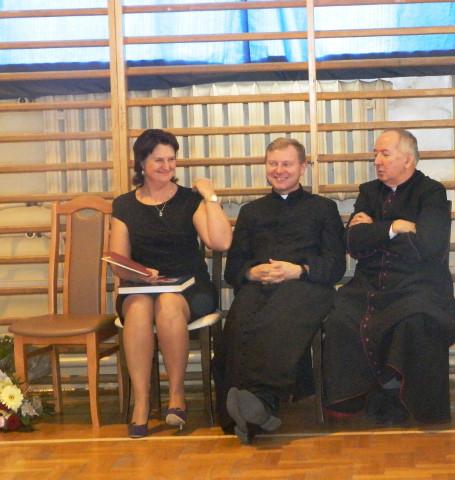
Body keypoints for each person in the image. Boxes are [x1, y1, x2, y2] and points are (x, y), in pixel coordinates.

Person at [322, 128, 455, 424]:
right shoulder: (369, 192)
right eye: (375, 154)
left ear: (408, 159)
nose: (377, 160)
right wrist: (394, 227)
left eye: (384, 154)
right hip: (368, 285)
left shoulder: (431, 193)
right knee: (339, 317)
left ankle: (403, 398)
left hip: (418, 284)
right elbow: (352, 242)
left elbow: (427, 246)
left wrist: (373, 230)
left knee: (415, 320)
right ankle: (359, 398)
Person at [219, 137, 346, 444]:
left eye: (286, 164)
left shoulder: (324, 209)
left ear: (302, 168)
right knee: (239, 322)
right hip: (259, 286)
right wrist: (252, 272)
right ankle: (244, 414)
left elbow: (336, 266)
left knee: (277, 318)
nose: (279, 170)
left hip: (307, 286)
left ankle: (262, 401)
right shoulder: (251, 212)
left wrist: (298, 270)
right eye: (273, 164)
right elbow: (233, 269)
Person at [109, 128, 232, 438]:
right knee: (138, 309)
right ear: (141, 163)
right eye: (158, 160)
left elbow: (220, 242)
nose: (167, 166)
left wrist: (210, 197)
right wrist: (139, 273)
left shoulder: (190, 200)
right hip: (142, 286)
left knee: (168, 304)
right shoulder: (124, 205)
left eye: (171, 159)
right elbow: (118, 263)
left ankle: (177, 395)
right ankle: (142, 401)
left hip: (189, 287)